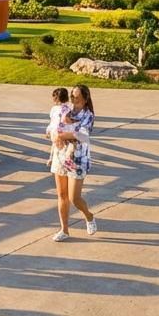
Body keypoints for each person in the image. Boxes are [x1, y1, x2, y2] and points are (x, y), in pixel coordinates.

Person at [51, 84, 97, 242]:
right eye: (72, 96)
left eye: (77, 97)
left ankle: (89, 216)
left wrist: (62, 136)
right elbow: (55, 127)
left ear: (85, 99)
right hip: (60, 156)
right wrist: (54, 134)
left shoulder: (88, 115)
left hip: (78, 159)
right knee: (61, 195)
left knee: (74, 198)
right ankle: (64, 230)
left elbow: (82, 135)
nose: (73, 99)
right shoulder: (65, 110)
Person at [46, 87, 76, 174]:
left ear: (55, 98)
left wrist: (48, 130)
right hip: (64, 132)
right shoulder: (69, 109)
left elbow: (52, 122)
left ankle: (51, 158)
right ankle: (68, 162)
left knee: (55, 145)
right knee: (66, 148)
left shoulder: (54, 109)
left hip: (55, 131)